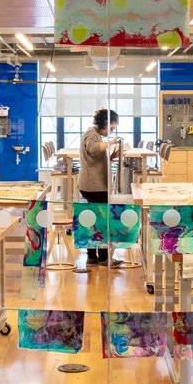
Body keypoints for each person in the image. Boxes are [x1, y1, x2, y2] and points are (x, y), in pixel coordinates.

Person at [78, 108, 120, 268]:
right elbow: (93, 149)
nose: (110, 132)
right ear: (103, 124)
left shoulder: (95, 134)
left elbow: (95, 158)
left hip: (92, 185)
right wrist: (112, 142)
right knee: (101, 222)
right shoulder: (91, 135)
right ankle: (102, 259)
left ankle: (93, 257)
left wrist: (110, 156)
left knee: (93, 221)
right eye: (110, 129)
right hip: (93, 186)